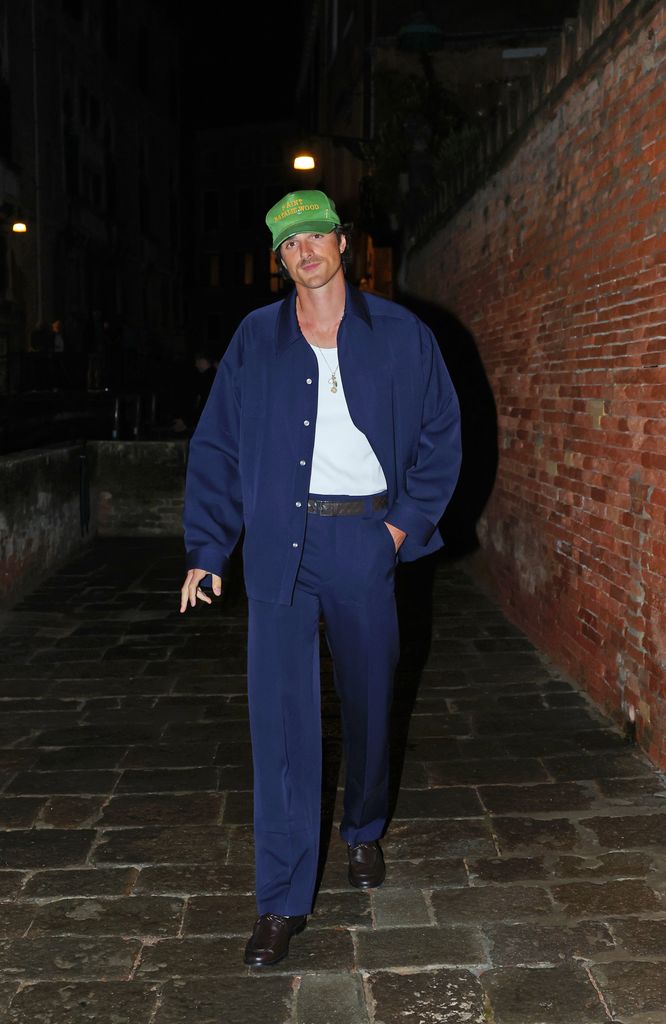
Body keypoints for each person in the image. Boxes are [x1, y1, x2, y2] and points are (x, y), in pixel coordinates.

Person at [179, 190, 461, 967]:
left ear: (343, 243)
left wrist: (400, 528)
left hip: (364, 539)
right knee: (282, 728)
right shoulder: (253, 341)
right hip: (278, 547)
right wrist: (209, 549)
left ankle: (364, 827)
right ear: (280, 261)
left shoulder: (403, 335)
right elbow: (218, 447)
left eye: (314, 235)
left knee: (370, 703)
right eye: (287, 243)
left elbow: (442, 434)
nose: (304, 250)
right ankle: (280, 900)